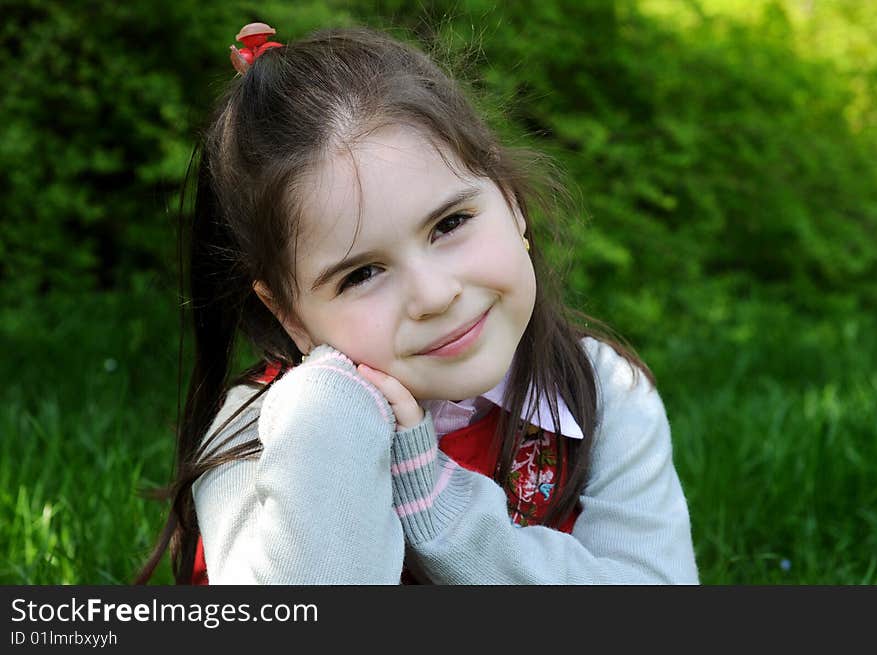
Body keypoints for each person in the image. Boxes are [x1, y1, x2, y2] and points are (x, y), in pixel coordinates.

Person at [135, 22, 699, 585]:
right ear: (290, 315)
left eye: (450, 223)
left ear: (511, 201)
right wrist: (329, 416)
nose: (434, 295)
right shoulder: (255, 432)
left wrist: (437, 507)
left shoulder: (601, 392)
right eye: (362, 275)